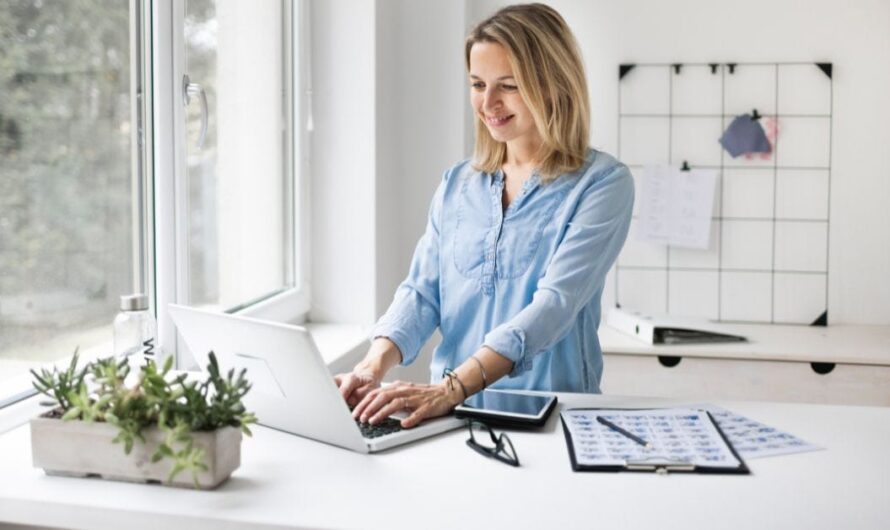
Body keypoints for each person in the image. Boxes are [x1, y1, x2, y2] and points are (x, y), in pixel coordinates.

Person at [335, 3, 634, 429]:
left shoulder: (602, 184)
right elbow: (422, 293)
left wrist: (453, 386)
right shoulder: (458, 183)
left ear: (551, 84)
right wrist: (371, 367)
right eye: (477, 84)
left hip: (549, 417)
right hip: (448, 417)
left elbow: (554, 305)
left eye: (508, 86)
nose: (487, 103)